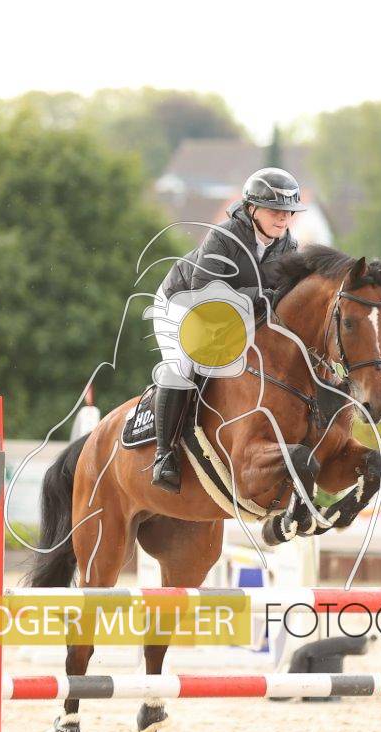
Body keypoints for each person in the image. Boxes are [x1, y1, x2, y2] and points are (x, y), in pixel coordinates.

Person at [149, 167, 306, 492]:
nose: (283, 218)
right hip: (184, 304)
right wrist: (261, 296)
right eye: (275, 210)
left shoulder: (289, 248)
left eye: (289, 211)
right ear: (252, 209)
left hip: (237, 312)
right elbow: (203, 291)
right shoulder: (224, 236)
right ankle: (165, 456)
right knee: (182, 365)